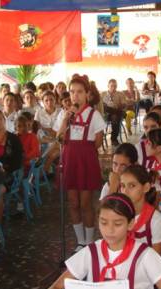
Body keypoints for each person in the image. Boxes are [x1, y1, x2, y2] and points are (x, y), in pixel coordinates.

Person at [46, 193, 161, 289]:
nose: (109, 230)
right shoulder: (91, 252)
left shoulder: (144, 256)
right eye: (103, 222)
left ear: (130, 224)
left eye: (117, 223)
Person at [54, 77, 105, 252]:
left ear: (87, 94)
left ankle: (90, 241)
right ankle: (80, 240)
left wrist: (84, 151)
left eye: (80, 92)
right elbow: (59, 138)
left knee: (85, 203)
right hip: (69, 161)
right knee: (73, 202)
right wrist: (65, 120)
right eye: (72, 92)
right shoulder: (64, 114)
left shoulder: (94, 114)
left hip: (86, 161)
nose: (75, 96)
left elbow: (98, 142)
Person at [121, 165, 161, 255]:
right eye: (123, 186)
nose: (125, 191)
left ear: (146, 187)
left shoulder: (155, 220)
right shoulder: (119, 214)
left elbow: (156, 260)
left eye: (131, 186)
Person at [101, 79, 127, 146]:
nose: (113, 88)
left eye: (115, 86)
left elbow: (124, 104)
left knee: (115, 117)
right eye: (112, 86)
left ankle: (114, 139)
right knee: (107, 108)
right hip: (106, 114)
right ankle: (114, 139)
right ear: (108, 86)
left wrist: (120, 105)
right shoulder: (103, 94)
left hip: (117, 114)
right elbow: (100, 106)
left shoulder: (120, 94)